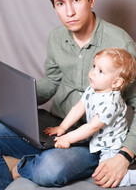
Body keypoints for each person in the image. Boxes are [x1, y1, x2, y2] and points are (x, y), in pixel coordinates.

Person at [0, 0, 136, 189]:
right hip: (57, 125)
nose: (69, 12)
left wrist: (125, 156)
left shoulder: (122, 44)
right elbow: (50, 82)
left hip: (93, 141)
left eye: (76, 0)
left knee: (49, 169)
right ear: (54, 7)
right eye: (60, 4)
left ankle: (23, 166)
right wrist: (19, 96)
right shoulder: (56, 37)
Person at [44, 48, 136, 186]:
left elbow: (92, 126)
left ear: (116, 83)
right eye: (94, 66)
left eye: (100, 71)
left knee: (107, 178)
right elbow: (79, 107)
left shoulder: (111, 103)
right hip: (96, 140)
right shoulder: (93, 89)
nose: (93, 72)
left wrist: (68, 138)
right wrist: (62, 127)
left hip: (111, 147)